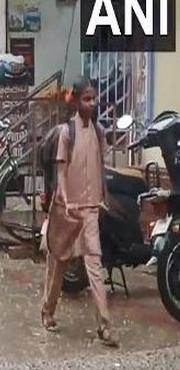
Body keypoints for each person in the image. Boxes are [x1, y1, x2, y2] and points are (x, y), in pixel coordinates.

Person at [41, 76, 119, 348]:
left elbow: (101, 165)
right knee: (59, 263)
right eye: (86, 99)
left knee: (94, 265)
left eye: (93, 98)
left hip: (89, 211)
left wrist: (103, 197)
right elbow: (61, 170)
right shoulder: (67, 133)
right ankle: (48, 311)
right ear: (75, 102)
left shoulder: (98, 131)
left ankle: (105, 325)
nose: (92, 103)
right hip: (66, 211)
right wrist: (63, 197)